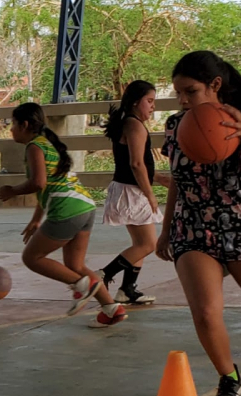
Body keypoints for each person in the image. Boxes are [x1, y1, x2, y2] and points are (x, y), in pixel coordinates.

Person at [158, 50, 241, 396]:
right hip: (192, 227)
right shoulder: (175, 125)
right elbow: (178, 183)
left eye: (189, 91)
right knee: (207, 313)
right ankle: (229, 378)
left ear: (214, 85)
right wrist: (165, 231)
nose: (182, 100)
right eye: (178, 92)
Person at [0, 102, 128, 327]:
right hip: (84, 207)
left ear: (25, 125)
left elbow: (38, 182)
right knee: (76, 265)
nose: (10, 129)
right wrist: (36, 219)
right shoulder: (47, 144)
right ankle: (112, 309)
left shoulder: (34, 147)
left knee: (31, 258)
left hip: (67, 210)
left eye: (13, 124)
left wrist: (12, 191)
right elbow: (47, 185)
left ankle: (81, 286)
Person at [99, 80, 171, 305]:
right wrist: (150, 194)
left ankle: (127, 289)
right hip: (132, 191)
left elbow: (137, 164)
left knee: (141, 242)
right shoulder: (134, 125)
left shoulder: (128, 123)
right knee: (147, 244)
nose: (153, 107)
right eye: (149, 101)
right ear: (134, 101)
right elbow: (136, 164)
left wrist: (158, 178)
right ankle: (102, 275)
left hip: (128, 188)